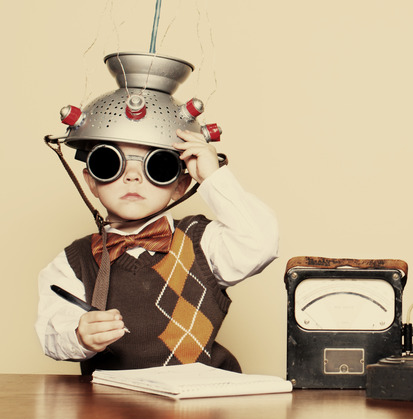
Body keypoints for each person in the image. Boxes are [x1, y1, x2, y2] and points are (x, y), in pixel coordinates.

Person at [36, 52, 278, 375]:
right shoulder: (74, 261)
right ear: (91, 182)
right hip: (113, 413)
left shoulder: (201, 243)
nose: (133, 176)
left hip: (203, 408)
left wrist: (214, 177)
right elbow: (51, 331)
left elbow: (261, 243)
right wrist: (79, 333)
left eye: (157, 166)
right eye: (111, 163)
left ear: (180, 186)